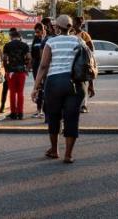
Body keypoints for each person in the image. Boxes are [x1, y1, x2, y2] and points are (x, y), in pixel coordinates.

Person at [32, 15, 95, 164]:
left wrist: (36, 87)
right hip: (76, 84)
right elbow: (88, 64)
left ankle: (54, 150)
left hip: (55, 82)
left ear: (57, 27)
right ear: (71, 27)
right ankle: (68, 154)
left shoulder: (51, 42)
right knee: (72, 118)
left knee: (53, 117)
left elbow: (43, 66)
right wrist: (91, 84)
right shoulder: (79, 40)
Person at [3, 28, 32, 119]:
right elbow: (29, 58)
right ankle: (20, 113)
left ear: (11, 36)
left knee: (12, 92)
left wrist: (6, 69)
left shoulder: (7, 45)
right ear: (19, 37)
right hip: (21, 71)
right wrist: (26, 68)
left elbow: (4, 58)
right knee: (20, 92)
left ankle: (13, 113)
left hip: (11, 72)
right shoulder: (24, 45)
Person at [72, 16, 94, 113]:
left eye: (74, 23)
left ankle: (84, 106)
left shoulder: (84, 35)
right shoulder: (71, 34)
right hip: (73, 62)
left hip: (82, 63)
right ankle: (76, 104)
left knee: (84, 83)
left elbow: (91, 49)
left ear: (79, 24)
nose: (73, 24)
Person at [30, 22, 46, 118]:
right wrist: (30, 65)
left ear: (43, 30)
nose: (37, 34)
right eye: (35, 32)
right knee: (38, 88)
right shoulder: (35, 39)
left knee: (44, 88)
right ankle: (38, 110)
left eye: (38, 32)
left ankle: (45, 110)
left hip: (44, 66)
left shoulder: (46, 39)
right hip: (36, 66)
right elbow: (32, 53)